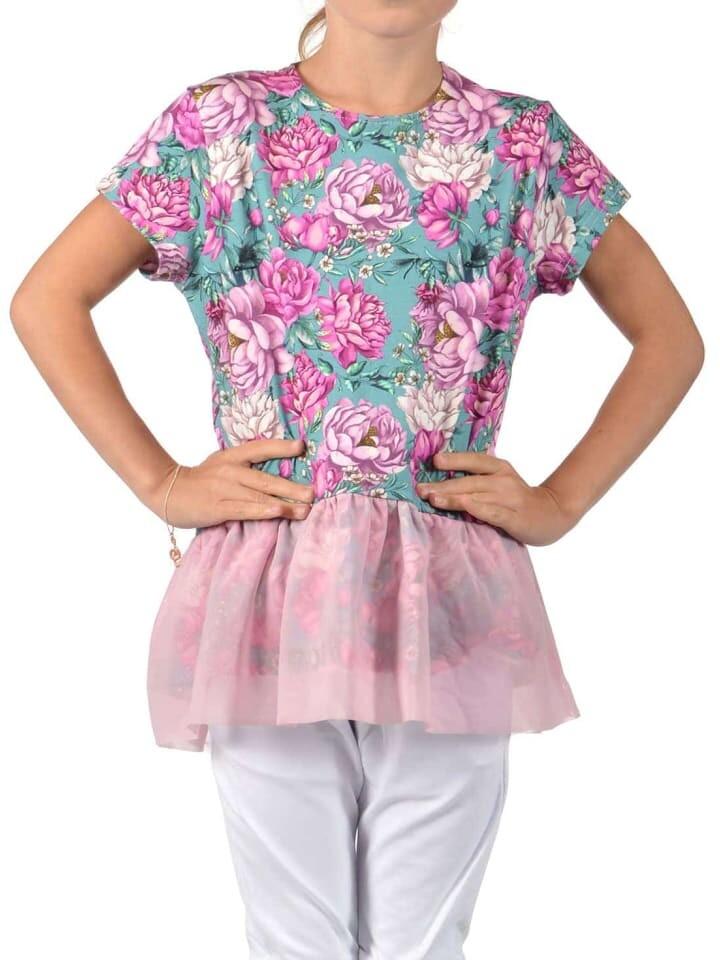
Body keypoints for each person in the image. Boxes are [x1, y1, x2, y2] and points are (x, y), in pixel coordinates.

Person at [10, 2, 704, 957]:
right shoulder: (219, 127)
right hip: (274, 583)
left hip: (446, 590)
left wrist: (562, 501)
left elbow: (670, 339)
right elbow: (48, 298)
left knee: (423, 937)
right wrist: (161, 482)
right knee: (295, 933)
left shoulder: (525, 143)